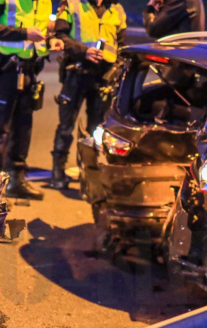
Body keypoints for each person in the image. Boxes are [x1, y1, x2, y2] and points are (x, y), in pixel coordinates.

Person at [0, 0, 52, 200]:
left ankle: (16, 181)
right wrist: (25, 34)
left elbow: (40, 32)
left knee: (23, 128)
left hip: (29, 70)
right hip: (4, 69)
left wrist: (51, 43)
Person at [48, 0, 127, 190]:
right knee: (66, 126)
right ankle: (57, 173)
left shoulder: (117, 8)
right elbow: (59, 36)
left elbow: (122, 44)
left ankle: (89, 173)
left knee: (96, 129)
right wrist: (84, 52)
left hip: (103, 77)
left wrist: (119, 69)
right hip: (76, 73)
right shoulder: (73, 4)